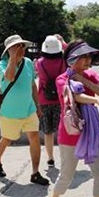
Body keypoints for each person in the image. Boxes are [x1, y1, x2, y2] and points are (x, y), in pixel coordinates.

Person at [46, 39, 99, 197]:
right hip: (70, 135)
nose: (87, 60)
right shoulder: (62, 80)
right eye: (83, 56)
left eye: (89, 56)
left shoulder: (91, 75)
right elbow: (76, 97)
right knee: (66, 176)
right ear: (71, 59)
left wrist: (84, 80)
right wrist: (98, 101)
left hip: (91, 134)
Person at [0, 35, 49, 186]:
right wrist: (12, 58)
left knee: (35, 137)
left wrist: (37, 105)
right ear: (8, 50)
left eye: (22, 46)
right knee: (6, 140)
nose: (21, 49)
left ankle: (35, 173)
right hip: (10, 113)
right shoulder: (3, 64)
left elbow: (32, 86)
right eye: (16, 47)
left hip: (29, 110)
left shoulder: (29, 63)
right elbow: (10, 77)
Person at [35, 35, 66, 167]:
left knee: (48, 132)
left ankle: (50, 158)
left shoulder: (39, 63)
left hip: (44, 99)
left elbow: (39, 82)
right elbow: (72, 51)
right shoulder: (64, 62)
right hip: (61, 99)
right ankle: (65, 157)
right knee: (63, 130)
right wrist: (63, 43)